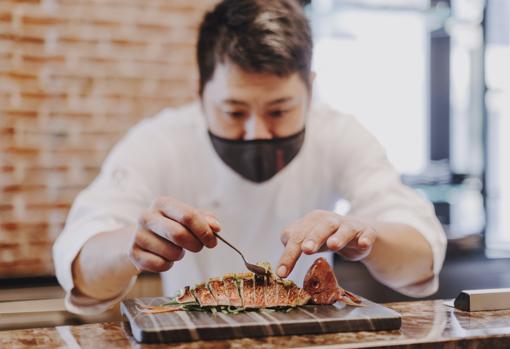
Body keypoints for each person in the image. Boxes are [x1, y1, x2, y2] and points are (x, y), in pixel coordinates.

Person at [53, 0, 446, 314]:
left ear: (310, 89)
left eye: (279, 111)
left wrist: (364, 237)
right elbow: (83, 269)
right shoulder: (159, 142)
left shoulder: (340, 134)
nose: (257, 133)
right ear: (200, 92)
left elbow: (420, 261)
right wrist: (132, 246)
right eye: (234, 112)